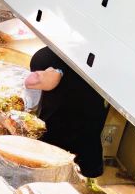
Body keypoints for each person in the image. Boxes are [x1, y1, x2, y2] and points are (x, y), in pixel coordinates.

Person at [26, 44, 108, 177]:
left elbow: (36, 81)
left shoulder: (53, 60)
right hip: (73, 137)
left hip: (68, 141)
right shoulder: (63, 54)